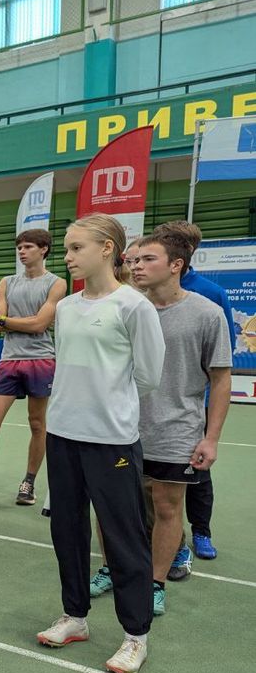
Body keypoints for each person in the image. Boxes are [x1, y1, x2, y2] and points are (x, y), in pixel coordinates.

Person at [36, 213, 165, 673]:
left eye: (76, 248)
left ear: (107, 248)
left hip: (111, 440)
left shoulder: (133, 306)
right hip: (62, 435)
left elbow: (148, 376)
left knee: (123, 536)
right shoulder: (66, 307)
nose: (68, 257)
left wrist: (108, 405)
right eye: (66, 249)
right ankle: (75, 616)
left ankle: (136, 636)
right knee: (67, 531)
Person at [123, 227, 231, 615]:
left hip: (177, 430)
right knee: (121, 508)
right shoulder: (128, 308)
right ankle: (116, 570)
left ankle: (155, 583)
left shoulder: (206, 313)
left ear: (176, 265)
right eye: (134, 259)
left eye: (147, 259)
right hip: (123, 427)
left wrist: (211, 438)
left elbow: (221, 379)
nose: (137, 266)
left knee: (167, 509)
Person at [0, 230, 67, 508]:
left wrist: (6, 320)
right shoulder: (6, 282)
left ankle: (28, 482)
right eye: (19, 247)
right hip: (9, 359)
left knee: (37, 423)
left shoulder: (57, 283)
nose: (22, 251)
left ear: (43, 249)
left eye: (28, 246)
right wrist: (11, 321)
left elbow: (40, 324)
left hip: (41, 359)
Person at [177, 224, 236, 561]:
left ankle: (201, 531)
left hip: (195, 402)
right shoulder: (141, 291)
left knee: (197, 469)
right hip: (151, 404)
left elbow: (222, 357)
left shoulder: (211, 294)